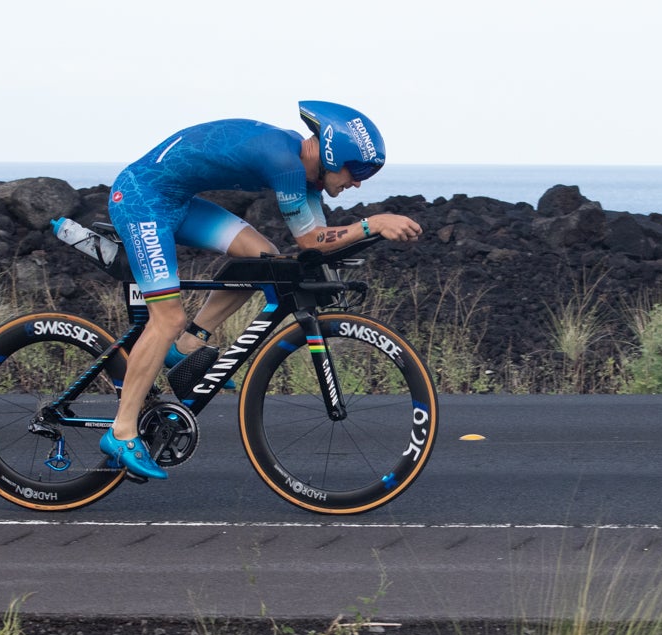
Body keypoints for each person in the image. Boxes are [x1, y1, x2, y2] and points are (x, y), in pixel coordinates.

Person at [98, 101, 424, 480]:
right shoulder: (284, 162)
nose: (359, 182)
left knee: (264, 259)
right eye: (359, 171)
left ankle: (186, 346)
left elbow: (319, 249)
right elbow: (310, 239)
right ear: (336, 154)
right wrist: (374, 224)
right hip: (142, 200)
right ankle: (122, 431)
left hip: (176, 201)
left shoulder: (305, 171)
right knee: (167, 317)